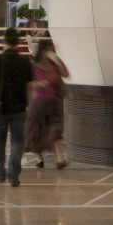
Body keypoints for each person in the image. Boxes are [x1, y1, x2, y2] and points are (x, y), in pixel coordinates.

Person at [0, 31, 34, 187]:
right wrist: (30, 106)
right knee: (17, 142)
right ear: (18, 42)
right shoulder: (25, 62)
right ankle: (13, 175)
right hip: (19, 107)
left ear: (4, 41)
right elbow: (29, 87)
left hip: (0, 106)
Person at [25, 38, 69, 169]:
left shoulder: (54, 65)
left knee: (56, 128)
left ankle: (60, 159)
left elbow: (66, 74)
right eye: (49, 50)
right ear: (43, 51)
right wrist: (39, 83)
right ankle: (39, 159)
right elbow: (29, 83)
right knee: (36, 130)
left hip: (54, 100)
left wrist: (59, 61)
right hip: (38, 101)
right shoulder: (34, 66)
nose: (51, 52)